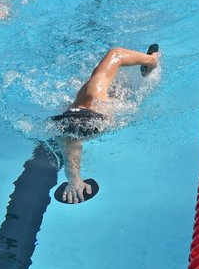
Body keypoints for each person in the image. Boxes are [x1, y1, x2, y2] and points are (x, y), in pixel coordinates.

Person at [51, 44, 160, 204]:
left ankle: (74, 179)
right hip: (84, 119)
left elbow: (71, 135)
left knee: (70, 137)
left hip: (79, 122)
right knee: (70, 134)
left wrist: (74, 179)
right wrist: (151, 60)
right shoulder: (94, 92)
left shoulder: (92, 100)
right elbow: (116, 53)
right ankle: (74, 178)